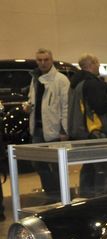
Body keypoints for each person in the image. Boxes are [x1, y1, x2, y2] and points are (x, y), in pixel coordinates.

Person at [67, 53, 107, 197]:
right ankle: (103, 199)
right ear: (91, 65)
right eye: (97, 63)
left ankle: (87, 197)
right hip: (98, 133)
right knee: (103, 168)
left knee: (89, 167)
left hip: (85, 133)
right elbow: (101, 106)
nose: (99, 66)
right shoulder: (91, 83)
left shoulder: (77, 83)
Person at [25, 48, 70, 197]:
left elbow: (66, 106)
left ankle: (63, 195)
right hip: (37, 129)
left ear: (52, 60)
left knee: (57, 165)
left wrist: (64, 130)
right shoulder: (35, 79)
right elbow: (32, 99)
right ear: (36, 61)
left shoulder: (61, 80)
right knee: (38, 163)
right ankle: (52, 193)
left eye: (46, 60)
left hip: (56, 130)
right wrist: (28, 106)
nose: (43, 63)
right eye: (40, 60)